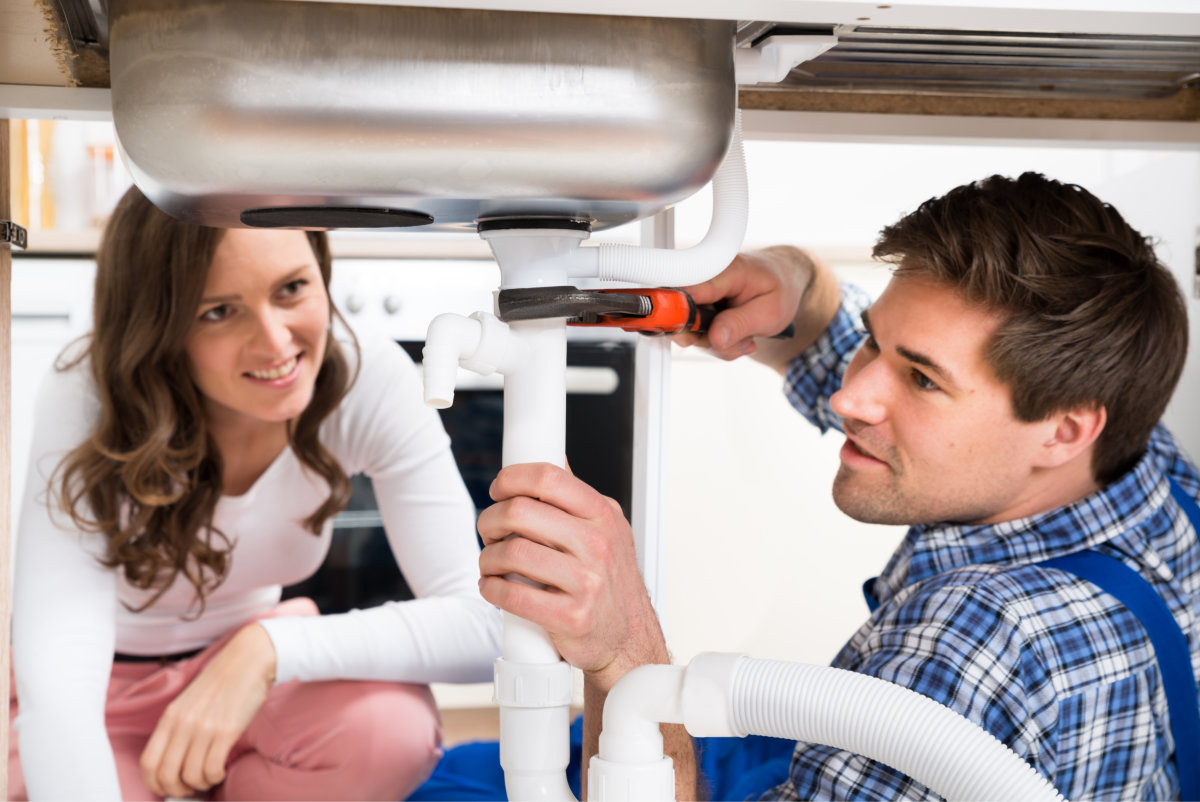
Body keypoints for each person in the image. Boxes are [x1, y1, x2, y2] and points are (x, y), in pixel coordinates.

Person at [475, 172, 1198, 800]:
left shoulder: (972, 640)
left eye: (920, 378)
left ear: (1064, 431)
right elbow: (906, 371)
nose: (853, 397)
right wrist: (802, 289)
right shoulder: (1147, 470)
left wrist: (623, 648)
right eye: (869, 340)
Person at [9, 186, 503, 801]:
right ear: (159, 327)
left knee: (389, 733)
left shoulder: (367, 379)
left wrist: (268, 647)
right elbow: (60, 680)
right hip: (105, 693)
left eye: (291, 288)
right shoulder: (89, 392)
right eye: (218, 311)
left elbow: (491, 628)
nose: (276, 344)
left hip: (256, 683)